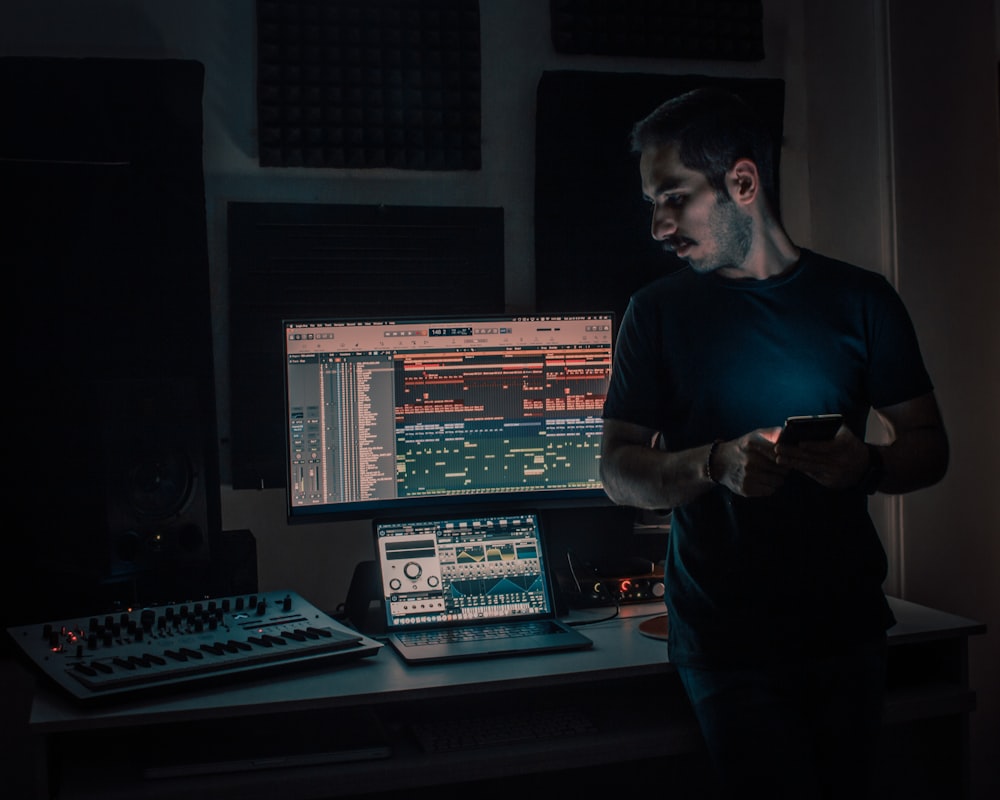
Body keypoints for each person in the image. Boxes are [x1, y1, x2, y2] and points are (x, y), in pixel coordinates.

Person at [599, 87, 949, 799]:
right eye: (651, 204)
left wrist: (868, 465)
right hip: (725, 646)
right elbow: (616, 471)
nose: (658, 227)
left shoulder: (862, 300)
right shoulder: (655, 314)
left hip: (846, 634)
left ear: (743, 182)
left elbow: (928, 445)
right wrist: (714, 463)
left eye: (673, 198)